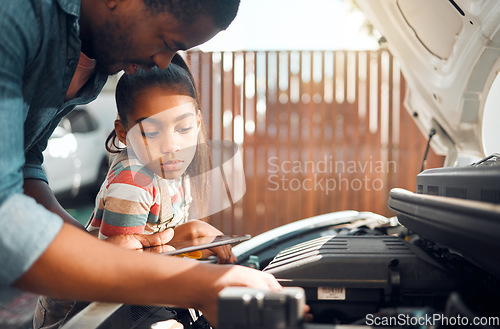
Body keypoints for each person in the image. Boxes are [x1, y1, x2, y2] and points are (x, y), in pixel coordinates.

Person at [0, 0, 281, 327]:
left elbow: (24, 158)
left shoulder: (94, 61)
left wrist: (166, 243)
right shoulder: (15, 16)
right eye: (165, 41)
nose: (162, 62)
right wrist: (196, 285)